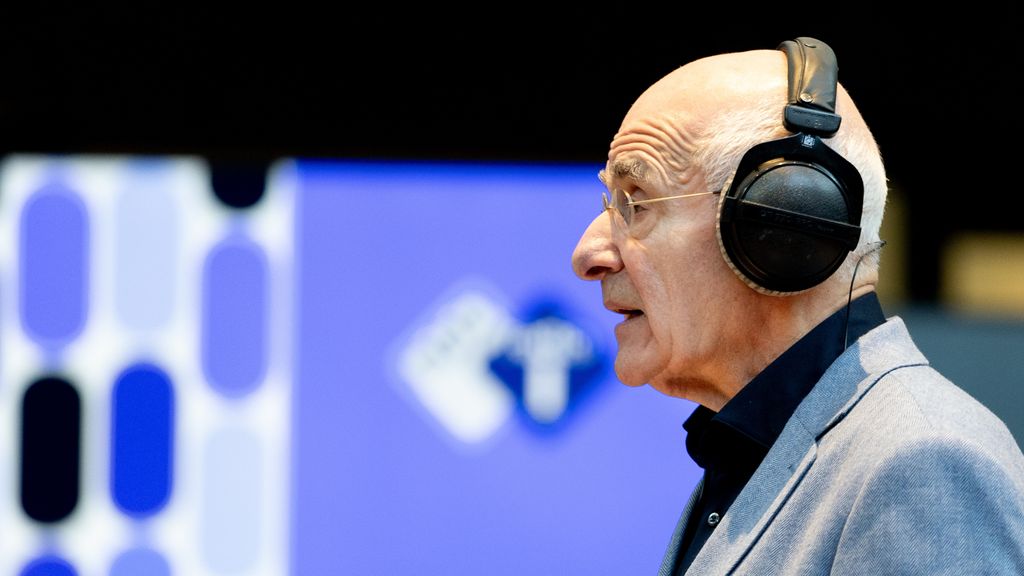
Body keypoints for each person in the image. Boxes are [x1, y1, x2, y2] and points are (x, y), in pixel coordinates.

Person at [571, 37, 1024, 575]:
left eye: (637, 202)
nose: (588, 254)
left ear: (782, 221)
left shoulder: (922, 463)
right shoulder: (762, 451)